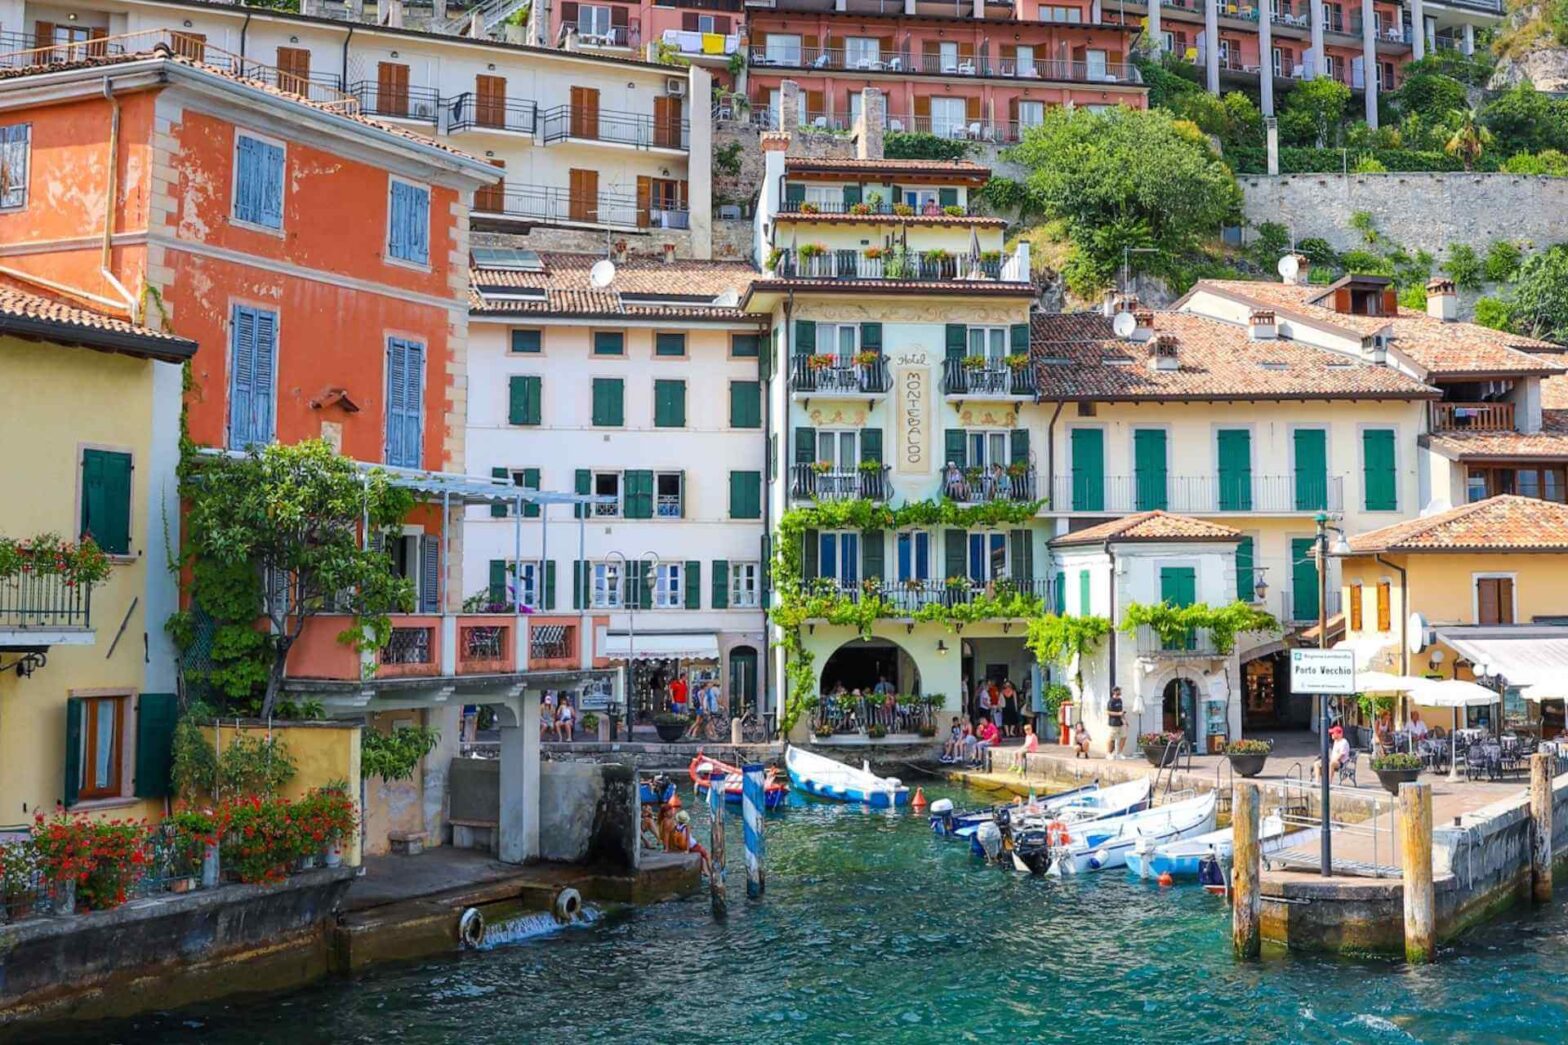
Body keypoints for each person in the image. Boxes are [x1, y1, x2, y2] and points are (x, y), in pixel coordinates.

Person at [668, 810, 711, 876]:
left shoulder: (676, 827)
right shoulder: (686, 826)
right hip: (693, 846)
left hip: (684, 846)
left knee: (702, 858)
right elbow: (688, 839)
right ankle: (711, 871)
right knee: (707, 855)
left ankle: (705, 871)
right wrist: (687, 850)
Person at [1106, 686, 1127, 760]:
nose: (1120, 692)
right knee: (1111, 738)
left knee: (1124, 737)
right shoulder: (1111, 701)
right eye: (1119, 691)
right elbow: (1108, 712)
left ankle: (1119, 753)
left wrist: (1125, 720)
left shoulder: (1120, 700)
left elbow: (1121, 711)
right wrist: (1118, 714)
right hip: (1113, 722)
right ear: (1115, 692)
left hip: (1121, 722)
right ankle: (1108, 753)